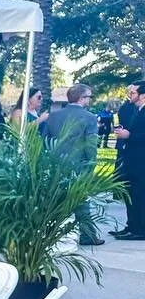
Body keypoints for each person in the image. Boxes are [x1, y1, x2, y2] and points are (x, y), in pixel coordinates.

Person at [42, 84, 105, 245]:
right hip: (78, 165)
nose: (90, 100)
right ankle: (87, 235)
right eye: (89, 97)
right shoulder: (89, 117)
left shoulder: (53, 116)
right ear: (81, 98)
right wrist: (91, 166)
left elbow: (44, 142)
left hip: (55, 165)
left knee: (54, 200)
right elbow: (90, 145)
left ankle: (47, 234)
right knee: (81, 200)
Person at [113, 82, 145, 240]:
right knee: (131, 195)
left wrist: (129, 136)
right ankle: (131, 226)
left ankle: (140, 230)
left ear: (143, 95)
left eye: (133, 93)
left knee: (140, 196)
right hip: (131, 160)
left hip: (141, 161)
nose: (129, 95)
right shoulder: (133, 110)